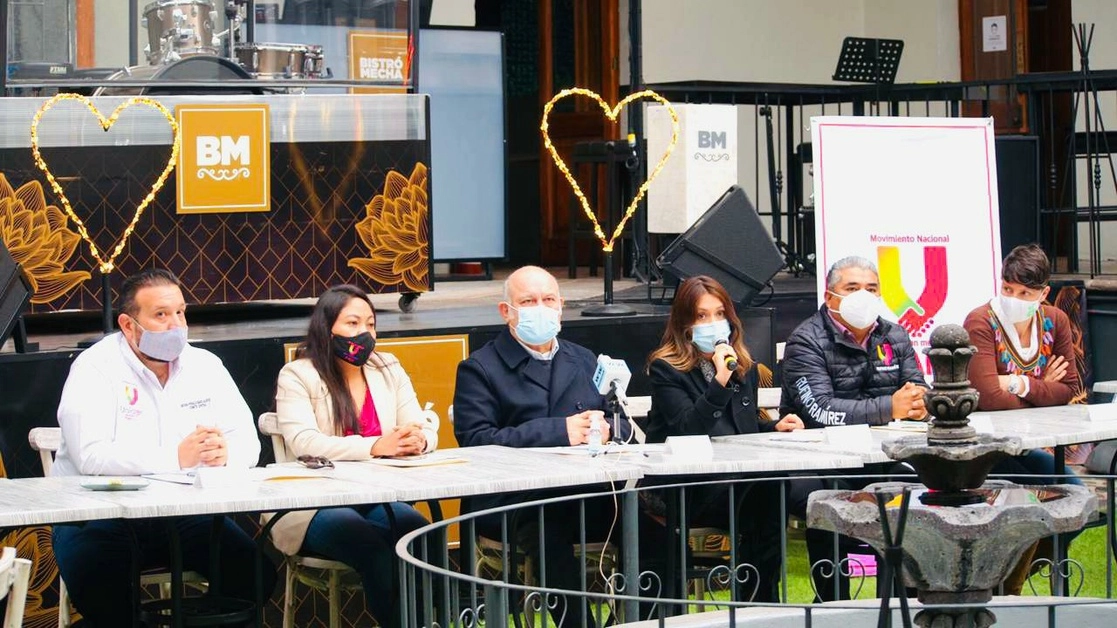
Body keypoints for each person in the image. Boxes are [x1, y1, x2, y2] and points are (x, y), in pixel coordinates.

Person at [51, 268, 276, 627]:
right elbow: (91, 456)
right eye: (160, 315)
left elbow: (247, 441)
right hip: (100, 516)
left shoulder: (205, 366)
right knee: (106, 601)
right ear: (128, 325)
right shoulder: (95, 368)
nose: (175, 326)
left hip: (183, 513)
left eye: (180, 313)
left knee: (254, 576)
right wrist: (176, 457)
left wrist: (225, 453)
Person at [641, 275, 846, 602]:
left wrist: (773, 428)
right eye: (702, 316)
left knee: (775, 489)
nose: (713, 323)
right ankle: (760, 600)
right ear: (685, 325)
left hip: (740, 484)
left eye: (720, 314)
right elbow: (688, 430)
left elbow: (739, 431)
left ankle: (767, 600)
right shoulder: (667, 369)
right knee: (766, 490)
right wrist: (719, 382)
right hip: (687, 487)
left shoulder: (743, 368)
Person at [452, 265, 630, 627]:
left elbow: (623, 419)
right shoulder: (479, 368)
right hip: (517, 503)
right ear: (507, 312)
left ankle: (642, 621)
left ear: (561, 306)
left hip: (586, 492)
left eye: (548, 300)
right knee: (550, 535)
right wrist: (558, 431)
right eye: (528, 301)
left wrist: (608, 428)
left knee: (653, 528)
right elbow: (476, 440)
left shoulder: (583, 359)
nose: (541, 308)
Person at [272, 284, 439, 628]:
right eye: (352, 323)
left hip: (379, 494)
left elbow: (420, 425)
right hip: (315, 503)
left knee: (421, 533)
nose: (363, 333)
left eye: (370, 324)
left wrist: (418, 440)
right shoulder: (298, 374)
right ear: (326, 326)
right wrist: (376, 446)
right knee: (371, 546)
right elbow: (304, 442)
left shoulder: (388, 366)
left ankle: (430, 621)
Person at [963, 244, 1083, 593]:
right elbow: (988, 398)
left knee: (1075, 500)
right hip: (987, 449)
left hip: (1027, 445)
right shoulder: (981, 321)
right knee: (1028, 507)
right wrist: (1042, 386)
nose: (1014, 298)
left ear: (1044, 293)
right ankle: (1000, 587)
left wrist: (1016, 383)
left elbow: (1070, 388)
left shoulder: (1055, 320)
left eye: (1025, 293)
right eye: (1008, 289)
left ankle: (1008, 581)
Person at [781, 256, 929, 427]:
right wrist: (889, 408)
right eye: (852, 288)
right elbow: (819, 410)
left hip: (890, 441)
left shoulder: (895, 335)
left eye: (871, 290)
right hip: (823, 445)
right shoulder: (805, 341)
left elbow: (917, 388)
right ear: (829, 298)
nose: (863, 296)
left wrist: (920, 407)